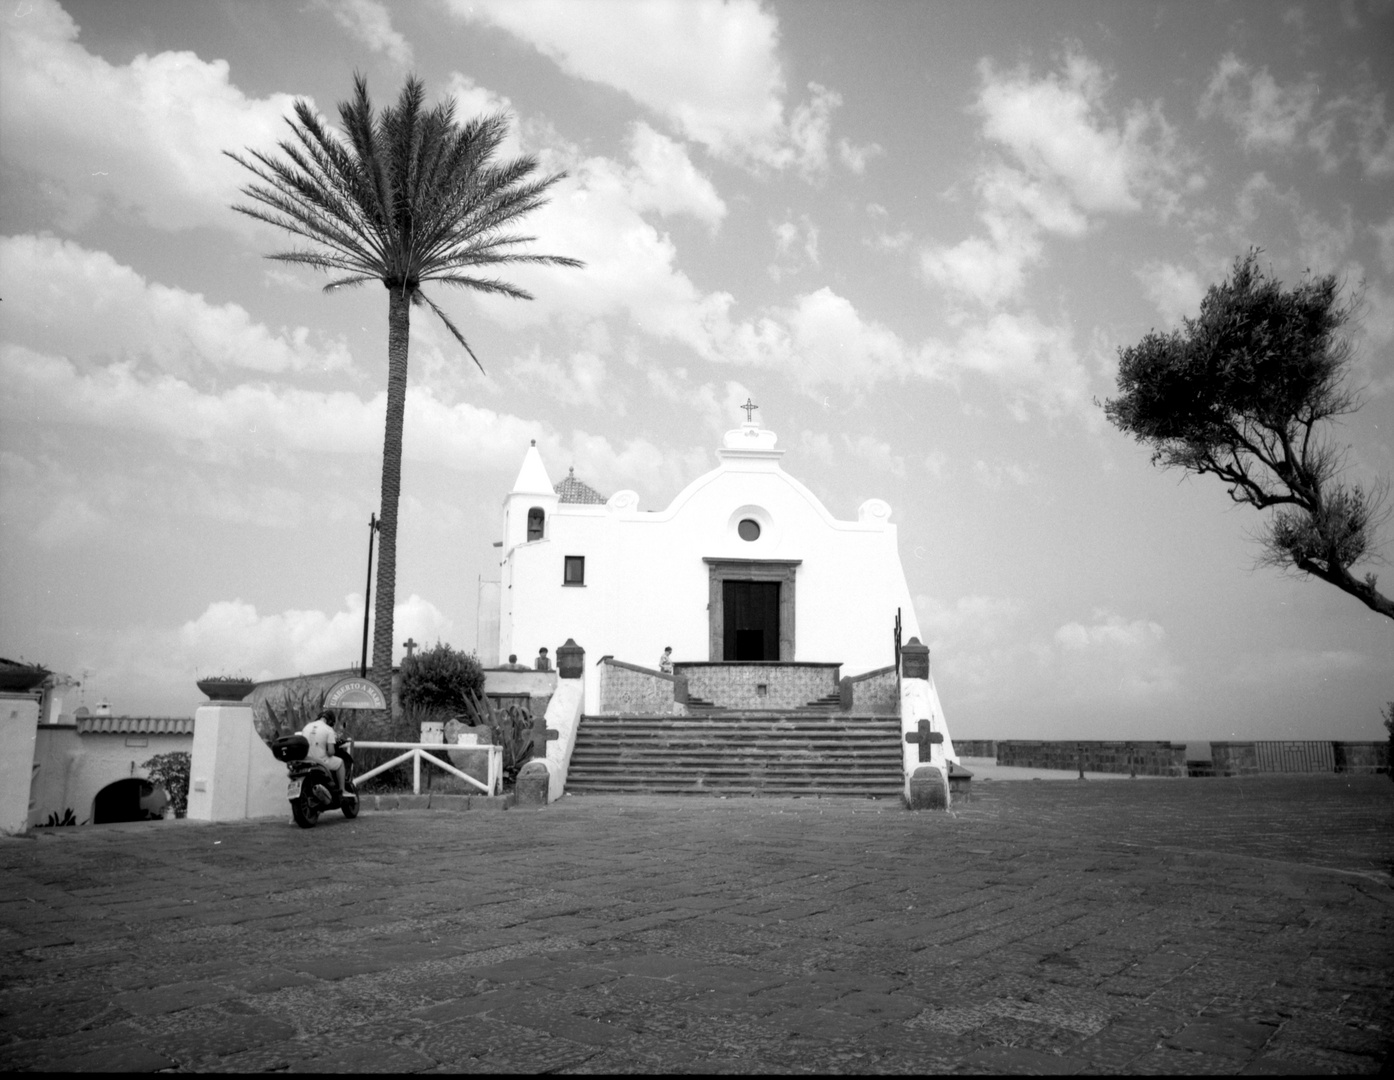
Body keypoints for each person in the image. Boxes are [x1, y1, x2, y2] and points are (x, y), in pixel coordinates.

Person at [301, 708, 345, 793]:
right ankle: (342, 790)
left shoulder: (307, 726)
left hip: (306, 760)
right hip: (320, 761)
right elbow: (331, 752)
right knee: (340, 763)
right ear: (330, 722)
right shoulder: (328, 729)